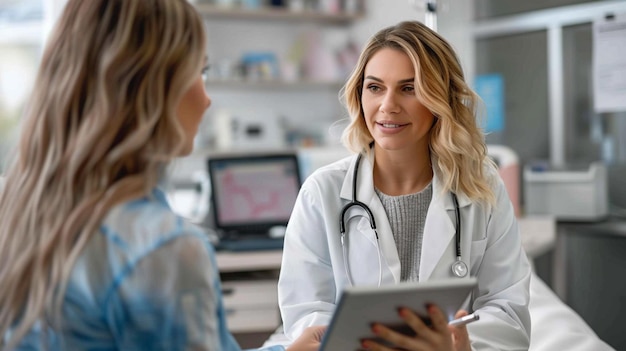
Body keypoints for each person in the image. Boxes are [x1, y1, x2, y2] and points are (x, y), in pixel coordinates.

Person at [0, 1, 331, 350]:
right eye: (198, 73)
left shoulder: (21, 211)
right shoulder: (162, 249)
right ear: (151, 87)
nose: (206, 100)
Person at [278, 20, 532, 350]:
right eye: (375, 87)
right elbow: (307, 311)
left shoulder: (480, 185)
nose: (388, 106)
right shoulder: (322, 193)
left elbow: (507, 308)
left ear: (441, 99)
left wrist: (457, 345)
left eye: (409, 88)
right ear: (359, 94)